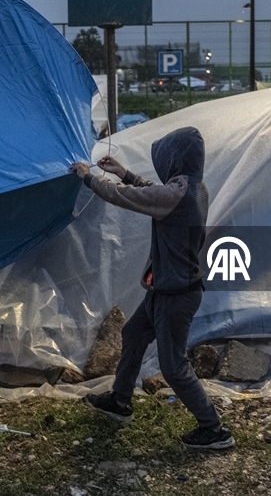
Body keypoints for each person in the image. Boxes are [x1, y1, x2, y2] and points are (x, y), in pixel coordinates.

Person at [69, 126, 234, 450]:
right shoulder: (192, 186)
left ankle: (214, 429)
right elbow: (152, 190)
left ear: (174, 159)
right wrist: (125, 172)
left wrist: (89, 177)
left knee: (173, 367)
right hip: (165, 289)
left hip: (176, 295)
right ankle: (120, 400)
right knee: (133, 334)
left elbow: (126, 196)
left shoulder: (177, 194)